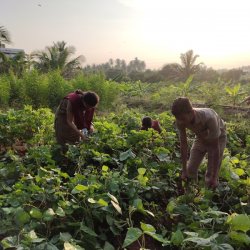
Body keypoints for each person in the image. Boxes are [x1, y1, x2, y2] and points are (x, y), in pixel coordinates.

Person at [171, 97, 226, 189]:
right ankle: (192, 194)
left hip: (218, 138)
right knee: (190, 170)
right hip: (200, 137)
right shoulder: (180, 119)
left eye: (183, 118)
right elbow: (183, 144)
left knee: (211, 175)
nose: (180, 122)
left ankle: (209, 194)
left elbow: (215, 148)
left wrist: (214, 176)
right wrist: (184, 170)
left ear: (191, 112)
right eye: (178, 119)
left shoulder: (209, 118)